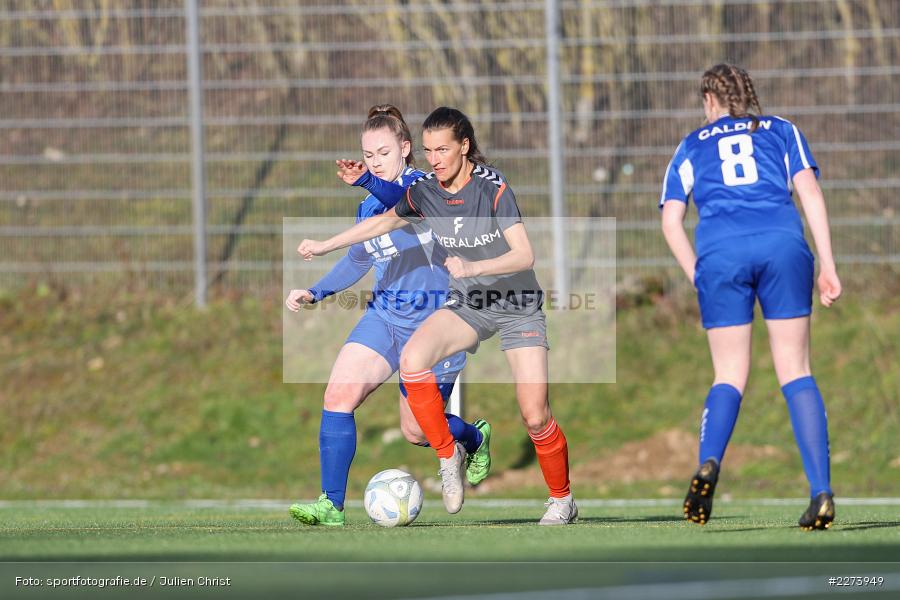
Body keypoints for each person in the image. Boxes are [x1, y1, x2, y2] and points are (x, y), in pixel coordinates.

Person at [297, 107, 576, 525]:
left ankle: (556, 495)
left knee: (533, 416)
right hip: (451, 306)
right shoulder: (420, 192)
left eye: (442, 150)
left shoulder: (485, 187)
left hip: (513, 303)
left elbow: (524, 255)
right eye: (430, 151)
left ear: (463, 146)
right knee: (389, 373)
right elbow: (377, 230)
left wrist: (474, 267)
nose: (435, 159)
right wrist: (322, 251)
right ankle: (439, 460)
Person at [285, 105, 492, 527]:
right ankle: (331, 505)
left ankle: (473, 437)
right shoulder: (367, 207)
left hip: (436, 326)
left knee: (416, 431)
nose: (375, 162)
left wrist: (366, 179)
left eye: (383, 153)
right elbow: (358, 259)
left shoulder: (426, 187)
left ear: (405, 148)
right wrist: (315, 291)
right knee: (337, 397)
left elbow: (402, 204)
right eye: (368, 155)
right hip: (385, 317)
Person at [659, 64, 842, 530]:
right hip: (783, 245)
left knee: (729, 373)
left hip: (721, 255)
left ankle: (709, 463)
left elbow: (670, 221)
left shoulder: (691, 145)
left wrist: (697, 273)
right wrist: (828, 264)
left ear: (710, 100)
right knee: (796, 370)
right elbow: (810, 193)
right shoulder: (782, 130)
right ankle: (820, 491)